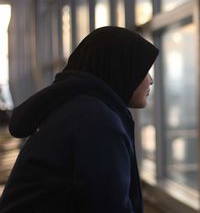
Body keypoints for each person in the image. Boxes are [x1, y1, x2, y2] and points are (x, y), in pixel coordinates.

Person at [0, 26, 159, 213]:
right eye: (144, 71)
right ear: (121, 70)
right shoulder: (99, 123)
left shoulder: (77, 109)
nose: (150, 80)